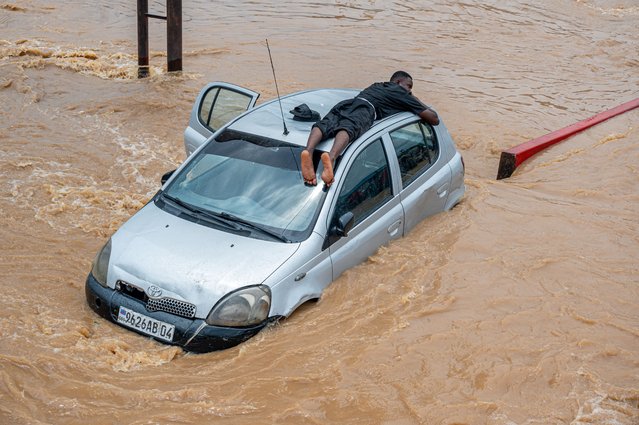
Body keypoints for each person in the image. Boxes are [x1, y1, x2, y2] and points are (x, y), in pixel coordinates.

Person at [300, 70, 439, 186]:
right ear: (398, 82)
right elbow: (434, 119)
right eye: (409, 86)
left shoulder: (377, 85)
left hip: (348, 103)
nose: (409, 90)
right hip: (366, 109)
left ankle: (309, 151)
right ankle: (331, 158)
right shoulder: (400, 93)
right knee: (349, 127)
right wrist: (413, 98)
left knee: (326, 123)